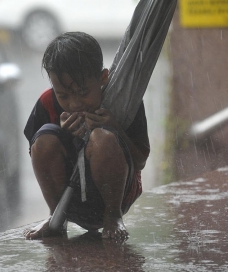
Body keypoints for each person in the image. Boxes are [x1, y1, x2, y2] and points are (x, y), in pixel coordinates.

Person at [23, 32, 150, 241]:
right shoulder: (47, 102)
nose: (74, 104)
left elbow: (141, 161)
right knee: (44, 139)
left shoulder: (123, 101)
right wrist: (63, 133)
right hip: (68, 200)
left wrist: (115, 128)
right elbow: (39, 154)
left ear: (103, 78)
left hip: (118, 196)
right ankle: (56, 216)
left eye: (83, 93)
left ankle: (113, 217)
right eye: (63, 95)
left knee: (103, 139)